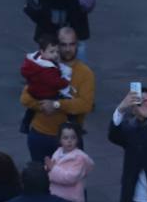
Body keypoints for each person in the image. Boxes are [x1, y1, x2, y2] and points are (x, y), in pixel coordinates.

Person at [21, 25, 94, 163]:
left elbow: (85, 105)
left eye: (71, 44)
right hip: (40, 135)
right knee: (40, 181)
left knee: (71, 182)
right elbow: (25, 98)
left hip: (70, 140)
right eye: (63, 44)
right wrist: (43, 106)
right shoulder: (43, 66)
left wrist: (56, 104)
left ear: (77, 44)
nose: (67, 49)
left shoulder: (85, 73)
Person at [46, 120, 93, 202]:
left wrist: (52, 169)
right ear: (59, 139)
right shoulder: (58, 152)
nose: (69, 141)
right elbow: (51, 167)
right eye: (65, 138)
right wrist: (47, 169)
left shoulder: (79, 158)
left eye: (73, 138)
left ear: (78, 139)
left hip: (71, 199)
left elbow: (70, 178)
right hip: (56, 195)